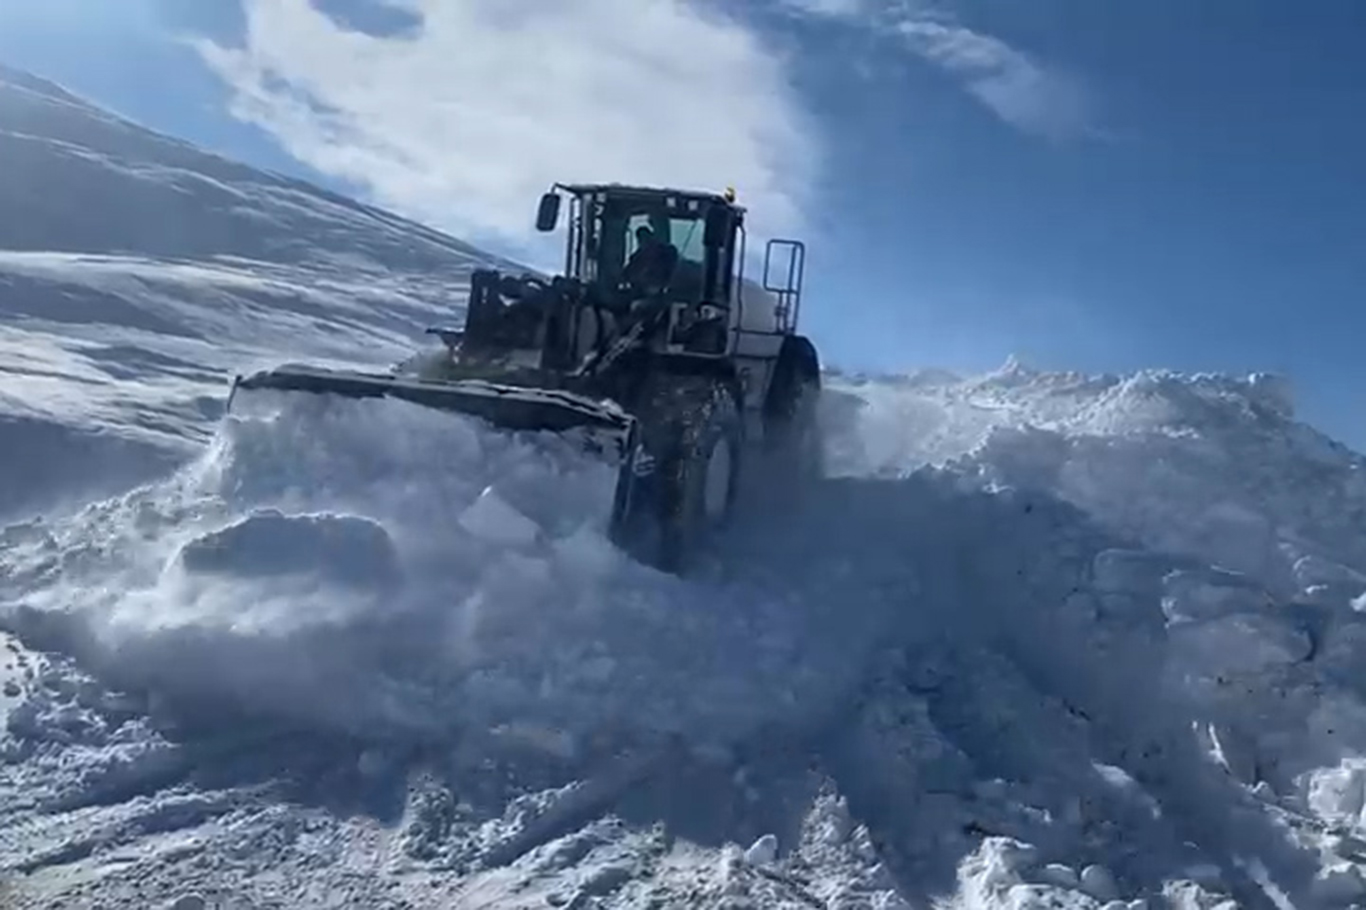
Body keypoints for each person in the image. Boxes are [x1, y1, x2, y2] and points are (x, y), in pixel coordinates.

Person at [623, 225, 678, 292]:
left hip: (663, 292)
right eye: (641, 238)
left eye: (647, 237)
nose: (645, 241)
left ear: (652, 236)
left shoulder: (667, 252)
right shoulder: (636, 258)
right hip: (642, 294)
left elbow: (674, 271)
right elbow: (626, 276)